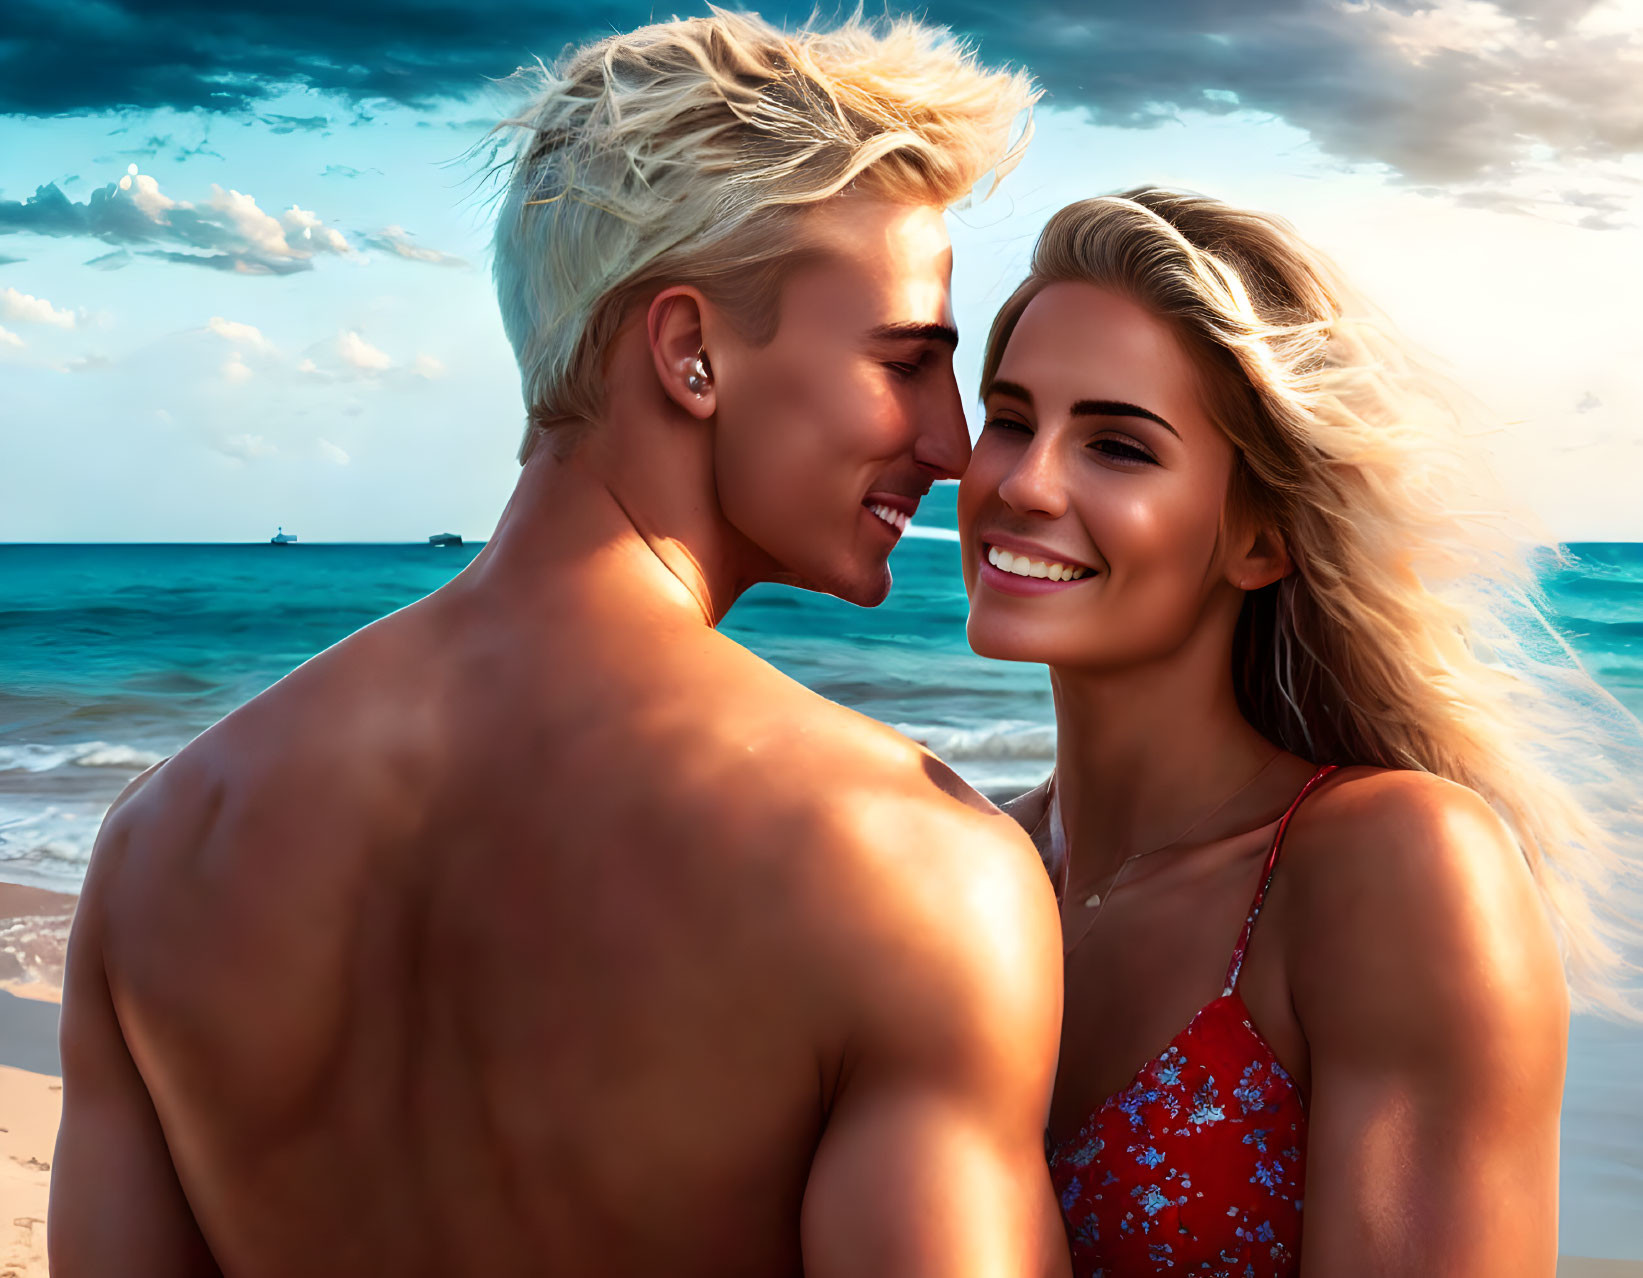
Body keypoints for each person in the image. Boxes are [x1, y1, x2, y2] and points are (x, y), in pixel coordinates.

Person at [50, 14, 1071, 1277]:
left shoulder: (160, 848)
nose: (953, 444)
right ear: (689, 352)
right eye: (905, 363)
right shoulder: (911, 869)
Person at [957, 189, 1640, 1275]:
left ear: (1261, 541)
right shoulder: (965, 876)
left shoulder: (1391, 867)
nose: (1022, 484)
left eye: (1117, 448)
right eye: (1007, 419)